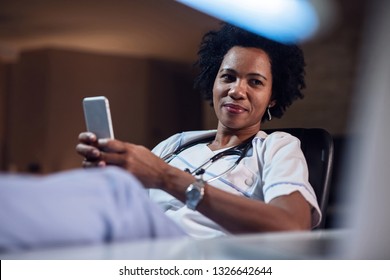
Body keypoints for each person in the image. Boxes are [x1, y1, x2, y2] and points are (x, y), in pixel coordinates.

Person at [0, 23, 320, 251]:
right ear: (214, 81)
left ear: (273, 98)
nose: (237, 90)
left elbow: (291, 228)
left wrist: (167, 178)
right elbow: (128, 204)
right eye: (229, 76)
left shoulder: (276, 147)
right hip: (136, 249)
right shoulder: (178, 142)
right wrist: (107, 171)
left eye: (255, 82)